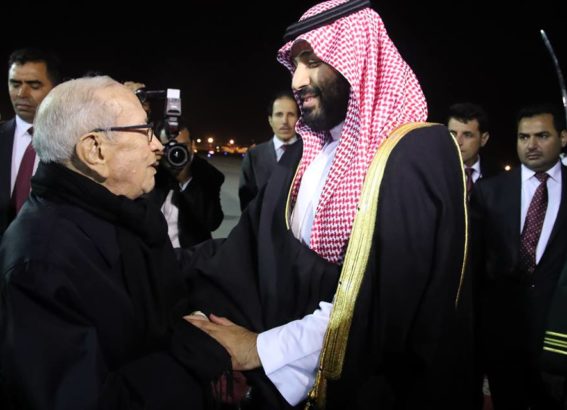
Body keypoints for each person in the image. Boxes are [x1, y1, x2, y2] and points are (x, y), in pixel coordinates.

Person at [184, 1, 470, 408]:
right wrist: (146, 264)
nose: (297, 79)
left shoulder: (416, 153)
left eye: (312, 61)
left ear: (357, 60)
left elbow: (389, 308)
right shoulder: (304, 155)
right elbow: (247, 250)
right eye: (295, 64)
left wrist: (262, 348)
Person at [0, 76, 231, 409]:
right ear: (94, 150)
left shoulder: (116, 213)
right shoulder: (40, 263)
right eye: (144, 132)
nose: (158, 146)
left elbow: (160, 281)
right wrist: (199, 352)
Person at [470, 103, 567, 409]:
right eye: (524, 137)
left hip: (557, 335)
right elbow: (474, 266)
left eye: (542, 136)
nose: (531, 145)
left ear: (563, 138)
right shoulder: (489, 191)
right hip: (501, 335)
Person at [0, 48, 61, 236]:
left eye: (34, 85)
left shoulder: (74, 144)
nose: (21, 93)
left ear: (55, 88)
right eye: (15, 84)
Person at [148, 120, 225, 247]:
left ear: (192, 145)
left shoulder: (206, 173)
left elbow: (212, 222)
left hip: (190, 253)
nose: (176, 152)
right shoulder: (150, 171)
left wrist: (186, 179)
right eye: (168, 146)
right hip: (154, 251)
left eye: (182, 146)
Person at [239, 90, 301, 210]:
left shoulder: (310, 154)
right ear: (270, 120)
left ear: (299, 119)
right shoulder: (254, 156)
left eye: (291, 114)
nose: (285, 121)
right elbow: (247, 206)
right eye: (279, 114)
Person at [447, 102, 497, 200]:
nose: (458, 142)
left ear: (483, 139)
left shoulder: (498, 177)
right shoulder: (432, 175)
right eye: (452, 134)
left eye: (467, 135)